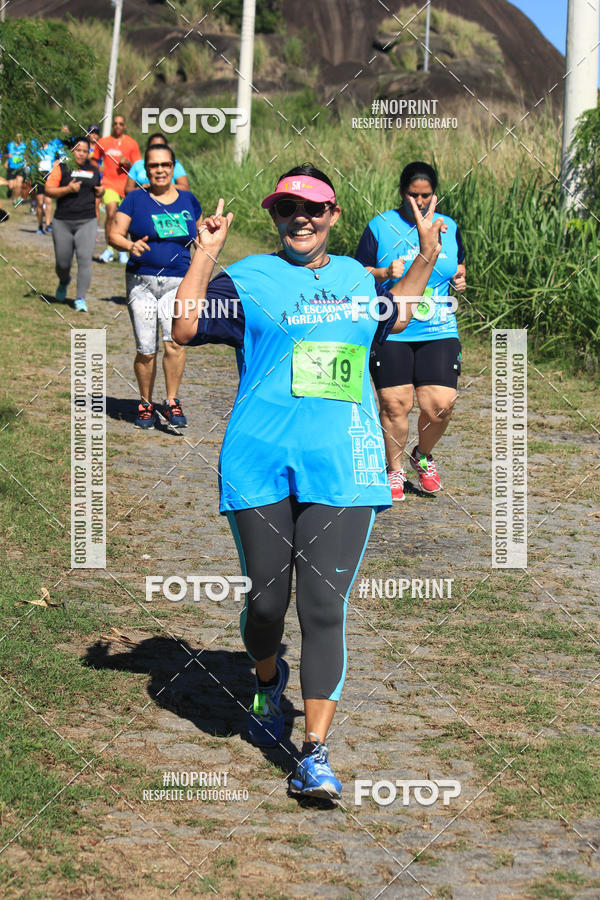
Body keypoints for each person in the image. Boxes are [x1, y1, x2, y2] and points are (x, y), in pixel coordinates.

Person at [171, 163, 445, 799]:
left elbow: (398, 315)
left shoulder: (356, 277)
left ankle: (314, 753)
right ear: (274, 216)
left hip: (344, 462)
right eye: (287, 208)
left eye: (314, 209)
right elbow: (185, 326)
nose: (301, 218)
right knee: (267, 603)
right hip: (258, 458)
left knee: (323, 606)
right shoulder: (247, 279)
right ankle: (267, 681)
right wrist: (204, 257)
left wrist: (427, 259)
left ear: (333, 217)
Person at [355, 161, 466, 501]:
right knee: (395, 405)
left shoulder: (448, 226)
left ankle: (422, 456)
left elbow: (459, 264)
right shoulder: (381, 225)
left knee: (440, 406)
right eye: (413, 195)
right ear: (402, 193)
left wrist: (461, 278)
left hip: (439, 327)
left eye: (426, 195)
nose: (419, 201)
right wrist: (383, 270)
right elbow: (357, 273)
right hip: (392, 327)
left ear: (435, 194)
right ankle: (394, 469)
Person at [109, 143, 202, 429]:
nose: (159, 170)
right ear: (145, 169)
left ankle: (172, 401)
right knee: (146, 348)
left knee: (174, 343)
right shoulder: (135, 199)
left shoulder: (188, 200)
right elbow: (114, 233)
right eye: (153, 166)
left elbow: (200, 241)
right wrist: (129, 244)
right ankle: (146, 403)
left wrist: (198, 278)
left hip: (179, 281)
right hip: (142, 281)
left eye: (165, 165)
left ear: (173, 168)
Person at [45, 136, 104, 312]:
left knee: (84, 259)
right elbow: (48, 190)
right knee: (63, 263)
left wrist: (101, 191)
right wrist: (67, 189)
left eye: (85, 151)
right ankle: (64, 281)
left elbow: (98, 190)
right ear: (72, 151)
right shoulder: (60, 167)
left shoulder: (93, 170)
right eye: (78, 150)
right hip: (62, 221)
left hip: (87, 220)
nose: (81, 154)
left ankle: (80, 299)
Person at [93, 115, 141, 263]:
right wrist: (98, 170)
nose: (118, 126)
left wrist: (127, 163)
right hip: (108, 184)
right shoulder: (103, 142)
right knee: (111, 212)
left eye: (121, 124)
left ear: (124, 126)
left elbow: (138, 167)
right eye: (115, 124)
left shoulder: (131, 144)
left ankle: (122, 251)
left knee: (124, 219)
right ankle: (109, 248)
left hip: (126, 187)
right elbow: (94, 160)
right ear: (113, 125)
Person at [124, 134, 189, 194]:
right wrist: (141, 189)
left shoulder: (175, 164)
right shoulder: (137, 165)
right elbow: (127, 190)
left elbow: (185, 188)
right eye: (154, 146)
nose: (157, 149)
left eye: (161, 146)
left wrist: (159, 187)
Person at [30, 136, 61, 234]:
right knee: (39, 202)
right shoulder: (35, 148)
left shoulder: (53, 147)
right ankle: (40, 226)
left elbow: (59, 159)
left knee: (48, 201)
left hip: (49, 175)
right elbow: (31, 161)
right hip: (38, 176)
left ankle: (47, 224)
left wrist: (56, 165)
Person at [5, 134, 27, 203]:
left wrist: (26, 159)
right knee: (11, 186)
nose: (19, 138)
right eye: (17, 137)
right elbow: (4, 154)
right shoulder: (9, 145)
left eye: (20, 137)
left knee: (19, 184)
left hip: (20, 167)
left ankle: (16, 200)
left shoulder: (24, 146)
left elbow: (27, 155)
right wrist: (7, 156)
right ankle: (11, 192)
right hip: (11, 167)